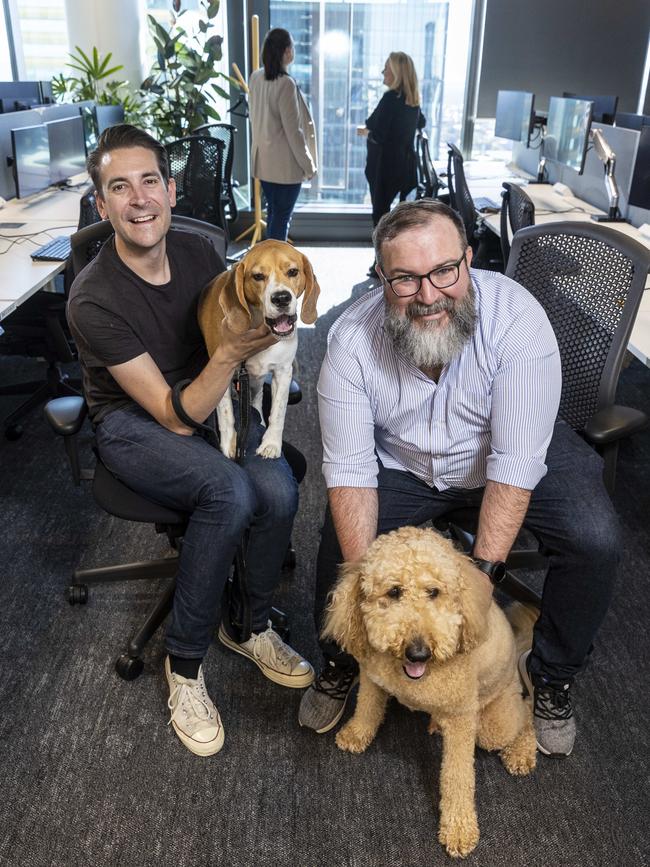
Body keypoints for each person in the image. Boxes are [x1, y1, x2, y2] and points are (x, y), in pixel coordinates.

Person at [298, 199, 621, 759]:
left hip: (507, 454)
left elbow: (517, 464)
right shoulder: (350, 340)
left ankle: (551, 673)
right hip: (405, 463)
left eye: (444, 270)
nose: (428, 295)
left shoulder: (517, 320)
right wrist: (371, 593)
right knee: (341, 553)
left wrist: (478, 585)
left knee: (595, 537)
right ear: (382, 278)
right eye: (405, 278)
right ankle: (343, 663)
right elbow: (349, 468)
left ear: (468, 260)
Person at [67, 124, 314, 758]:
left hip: (211, 395)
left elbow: (252, 331)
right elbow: (175, 417)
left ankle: (251, 625)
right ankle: (184, 668)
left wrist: (256, 353)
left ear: (171, 191)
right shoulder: (93, 299)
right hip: (135, 420)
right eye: (119, 188)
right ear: (103, 205)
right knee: (229, 492)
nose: (139, 198)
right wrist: (232, 356)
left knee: (279, 486)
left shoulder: (204, 255)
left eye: (150, 181)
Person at [357, 51, 425, 274]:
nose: (383, 72)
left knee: (381, 216)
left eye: (386, 67)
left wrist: (369, 132)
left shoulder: (390, 98)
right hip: (406, 164)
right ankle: (402, 261)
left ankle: (381, 264)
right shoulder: (412, 100)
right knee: (403, 216)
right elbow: (420, 123)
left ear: (396, 72)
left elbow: (374, 126)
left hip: (385, 165)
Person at [248, 27, 318, 241]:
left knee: (275, 216)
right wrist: (308, 165)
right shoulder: (285, 83)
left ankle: (269, 261)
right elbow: (294, 132)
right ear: (287, 51)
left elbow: (254, 118)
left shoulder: (256, 77)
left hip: (264, 164)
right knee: (281, 219)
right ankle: (273, 266)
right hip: (285, 168)